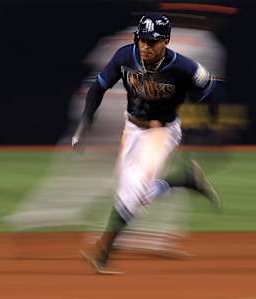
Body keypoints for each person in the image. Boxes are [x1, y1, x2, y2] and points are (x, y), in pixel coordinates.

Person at [73, 13, 221, 274]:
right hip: (131, 129)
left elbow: (208, 88)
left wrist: (209, 126)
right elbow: (98, 88)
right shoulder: (125, 56)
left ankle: (104, 252)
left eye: (152, 42)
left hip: (161, 133)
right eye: (142, 40)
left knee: (134, 193)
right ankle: (184, 180)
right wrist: (85, 124)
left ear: (166, 41)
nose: (146, 46)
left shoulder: (182, 67)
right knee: (130, 195)